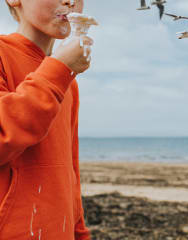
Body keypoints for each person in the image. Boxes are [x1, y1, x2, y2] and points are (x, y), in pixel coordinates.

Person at [0, 0, 93, 239]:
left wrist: (79, 232)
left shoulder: (66, 81)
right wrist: (57, 70)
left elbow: (70, 169)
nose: (70, 2)